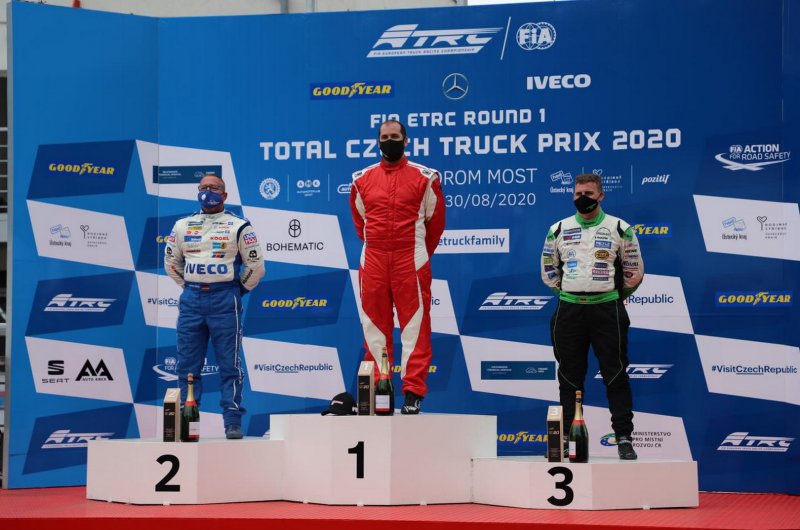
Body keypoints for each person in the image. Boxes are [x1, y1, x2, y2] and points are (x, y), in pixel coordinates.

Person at [540, 173, 644, 460]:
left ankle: (623, 438)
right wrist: (570, 293)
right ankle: (564, 439)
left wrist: (611, 296)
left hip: (607, 310)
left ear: (601, 196)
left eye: (588, 193)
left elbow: (633, 272)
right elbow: (549, 270)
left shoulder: (620, 228)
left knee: (616, 375)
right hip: (569, 310)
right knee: (568, 377)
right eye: (577, 194)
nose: (582, 198)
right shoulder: (558, 229)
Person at [349, 120, 446, 414]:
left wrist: (418, 254)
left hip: (410, 258)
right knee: (374, 326)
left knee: (415, 327)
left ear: (406, 141)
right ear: (378, 141)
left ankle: (413, 393)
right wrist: (379, 248)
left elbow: (435, 224)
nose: (389, 141)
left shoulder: (425, 177)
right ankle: (381, 389)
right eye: (384, 137)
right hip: (374, 259)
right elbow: (360, 224)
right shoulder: (361, 179)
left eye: (394, 136)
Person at [164, 174, 265, 439]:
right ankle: (188, 420)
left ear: (225, 195)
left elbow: (255, 266)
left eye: (214, 188)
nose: (208, 191)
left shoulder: (239, 226)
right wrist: (191, 286)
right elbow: (171, 263)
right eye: (203, 187)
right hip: (192, 300)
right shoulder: (182, 225)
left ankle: (232, 421)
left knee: (230, 365)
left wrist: (237, 290)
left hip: (225, 299)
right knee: (187, 365)